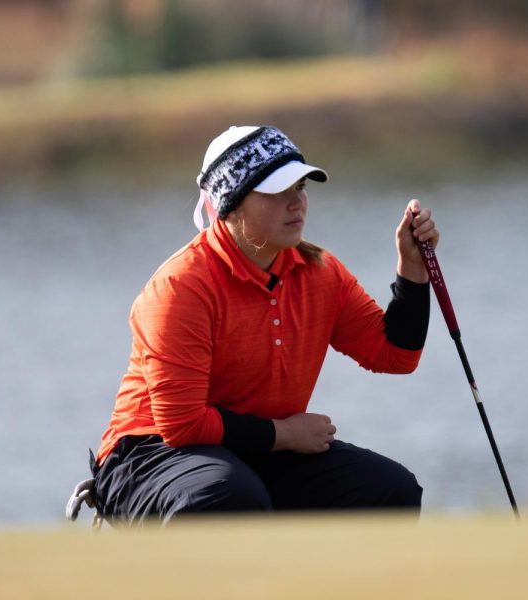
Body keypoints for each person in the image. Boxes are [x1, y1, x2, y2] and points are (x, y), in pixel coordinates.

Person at [89, 125, 440, 526]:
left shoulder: (320, 271)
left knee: (390, 490)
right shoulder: (181, 286)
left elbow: (394, 355)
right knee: (228, 496)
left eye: (301, 187)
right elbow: (181, 424)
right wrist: (286, 435)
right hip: (149, 453)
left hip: (253, 448)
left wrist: (412, 271)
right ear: (232, 205)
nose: (298, 203)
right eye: (277, 192)